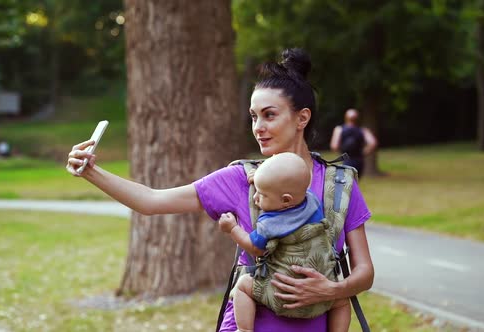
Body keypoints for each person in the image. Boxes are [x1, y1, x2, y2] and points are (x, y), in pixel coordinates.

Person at [66, 48, 374, 332]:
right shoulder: (239, 179)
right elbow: (151, 200)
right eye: (254, 117)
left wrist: (332, 290)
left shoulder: (339, 184)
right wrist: (91, 172)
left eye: (269, 115)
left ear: (302, 118)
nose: (258, 127)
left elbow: (364, 272)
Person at [218, 152, 351, 332]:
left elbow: (255, 249)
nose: (256, 198)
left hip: (282, 295)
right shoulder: (312, 202)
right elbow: (296, 184)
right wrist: (261, 182)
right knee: (342, 301)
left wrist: (232, 229)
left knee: (242, 286)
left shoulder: (270, 224)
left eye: (262, 194)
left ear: (286, 200)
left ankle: (244, 330)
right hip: (321, 294)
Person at [329, 109, 377, 179]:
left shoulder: (339, 129)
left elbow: (334, 146)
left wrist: (341, 153)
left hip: (346, 159)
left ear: (346, 118)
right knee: (355, 183)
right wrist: (364, 152)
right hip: (359, 160)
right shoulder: (363, 130)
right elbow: (373, 143)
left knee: (346, 183)